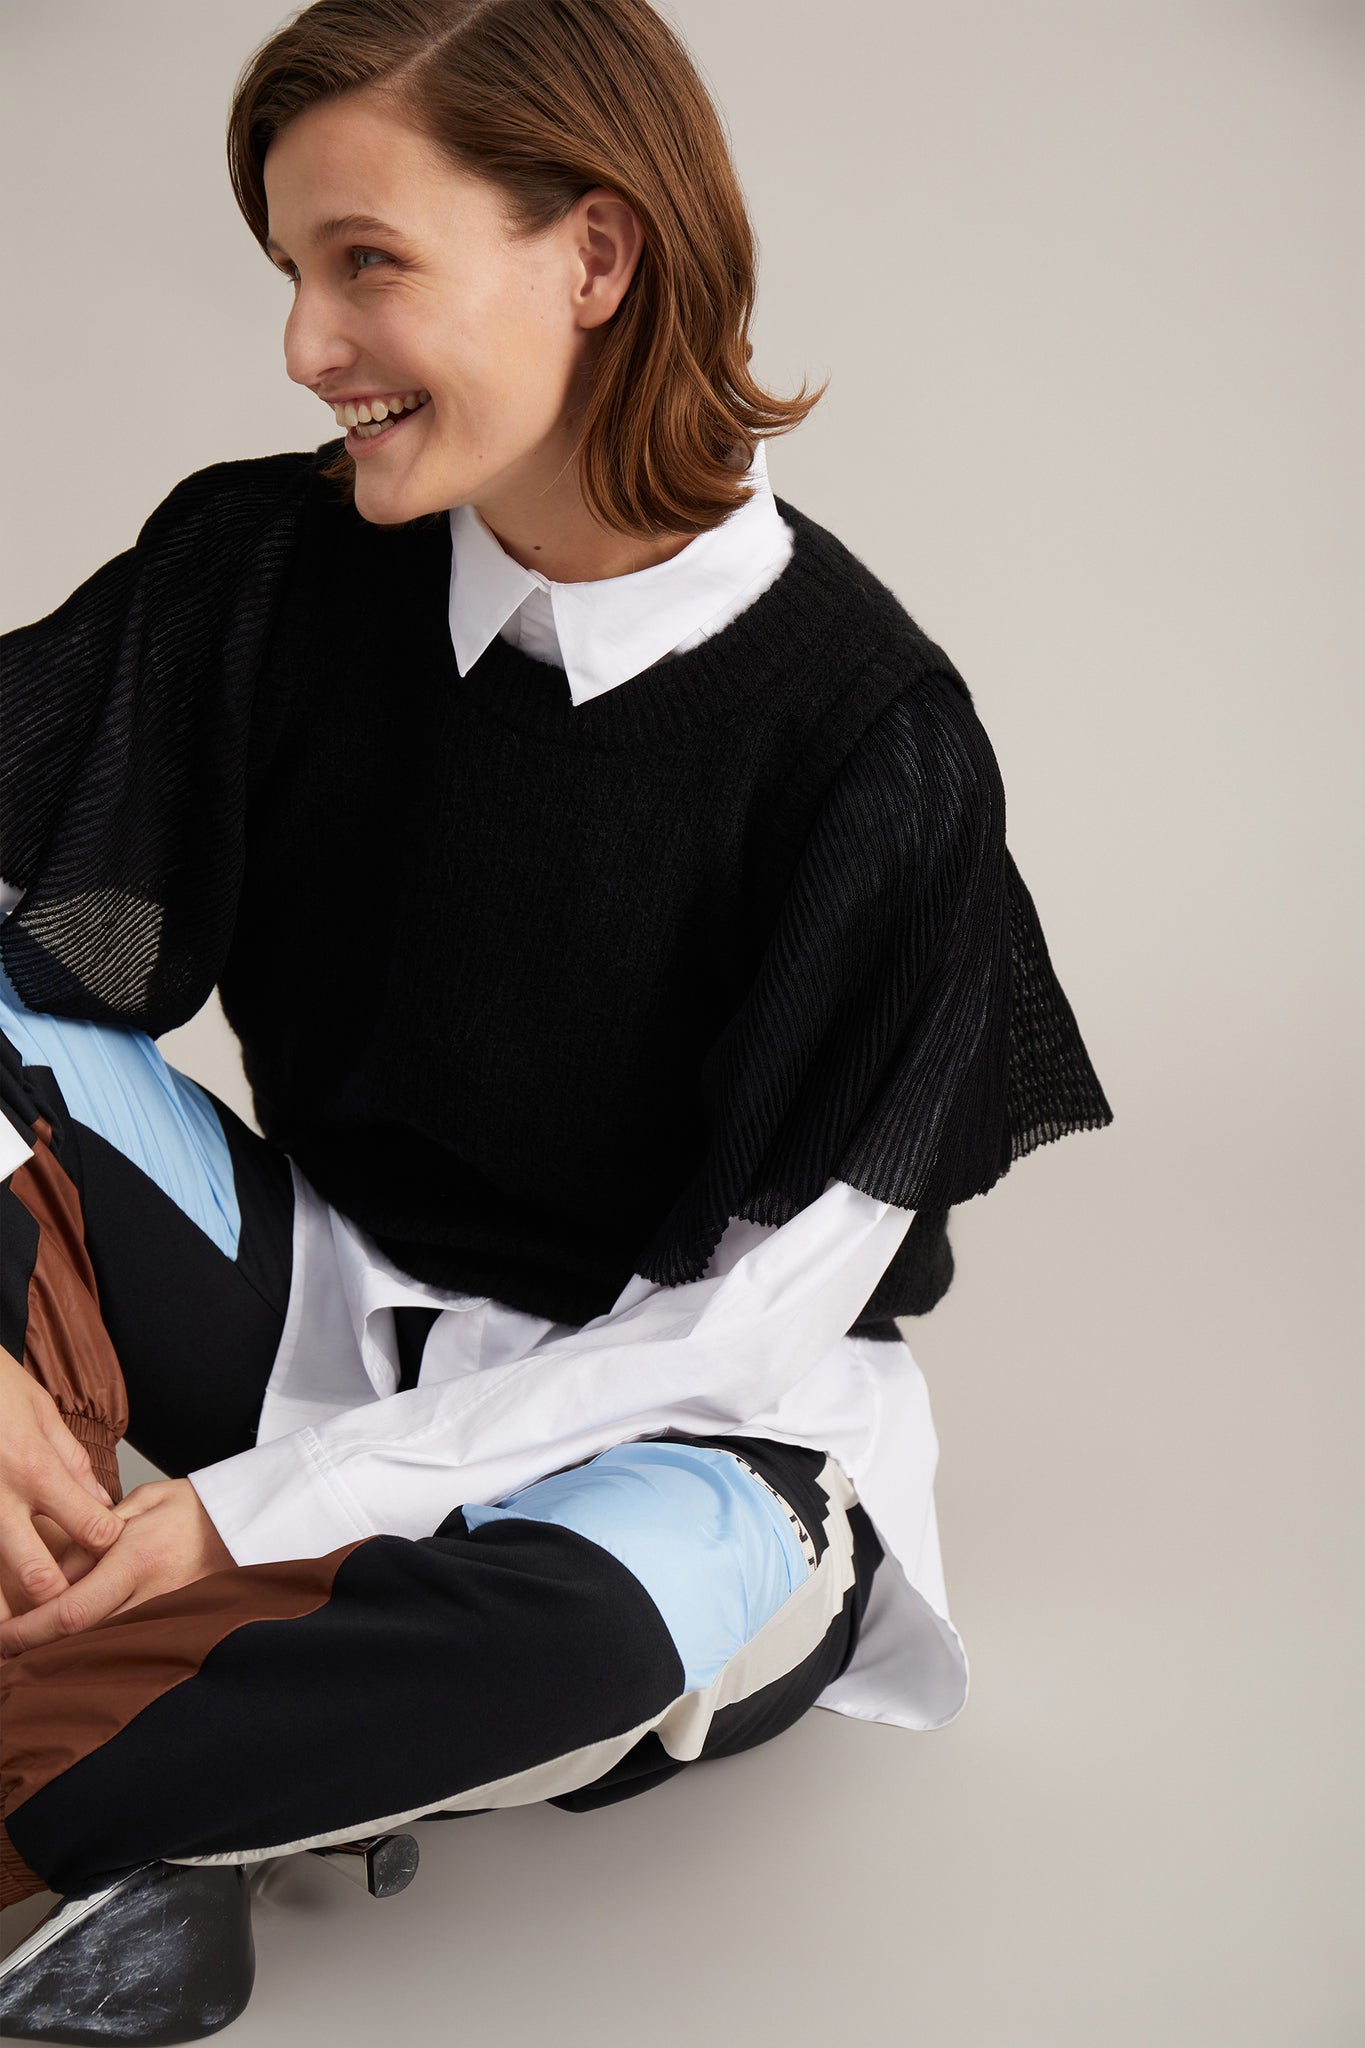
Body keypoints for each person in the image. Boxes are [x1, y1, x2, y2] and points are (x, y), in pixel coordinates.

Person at [0, 0, 1112, 2039]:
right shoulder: (270, 567)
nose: (304, 344)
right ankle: (141, 1758)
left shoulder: (872, 750)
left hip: (671, 1442)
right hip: (312, 1307)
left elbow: (738, 1338)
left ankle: (116, 1712)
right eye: (289, 270)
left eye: (366, 262)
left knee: (573, 1634)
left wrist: (246, 1511)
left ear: (594, 257)